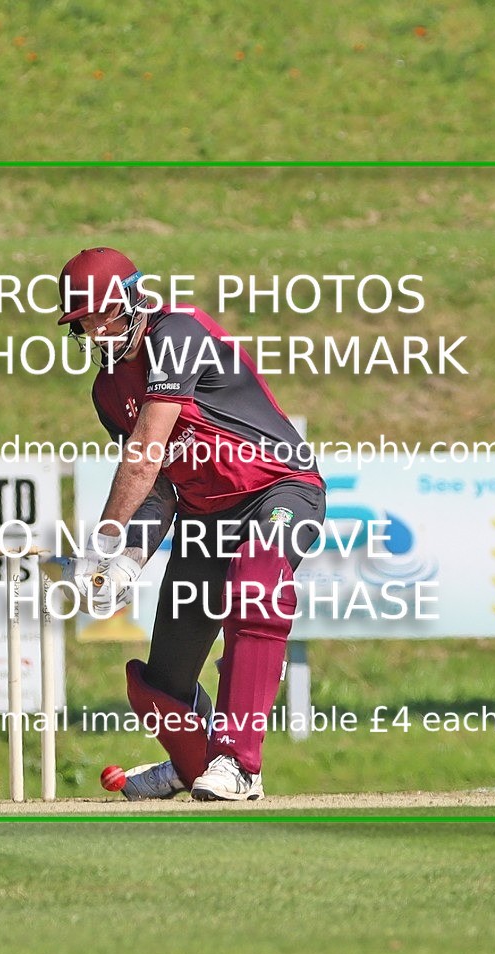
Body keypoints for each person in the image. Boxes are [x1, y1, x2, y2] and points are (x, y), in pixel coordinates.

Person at [59, 247, 326, 801]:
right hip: (208, 515)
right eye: (84, 323)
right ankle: (192, 765)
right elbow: (157, 488)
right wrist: (131, 557)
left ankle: (239, 764)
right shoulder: (107, 391)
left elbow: (145, 452)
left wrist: (106, 538)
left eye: (104, 316)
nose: (96, 331)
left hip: (281, 489)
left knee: (254, 588)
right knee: (159, 685)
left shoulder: (177, 331)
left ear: (134, 299)